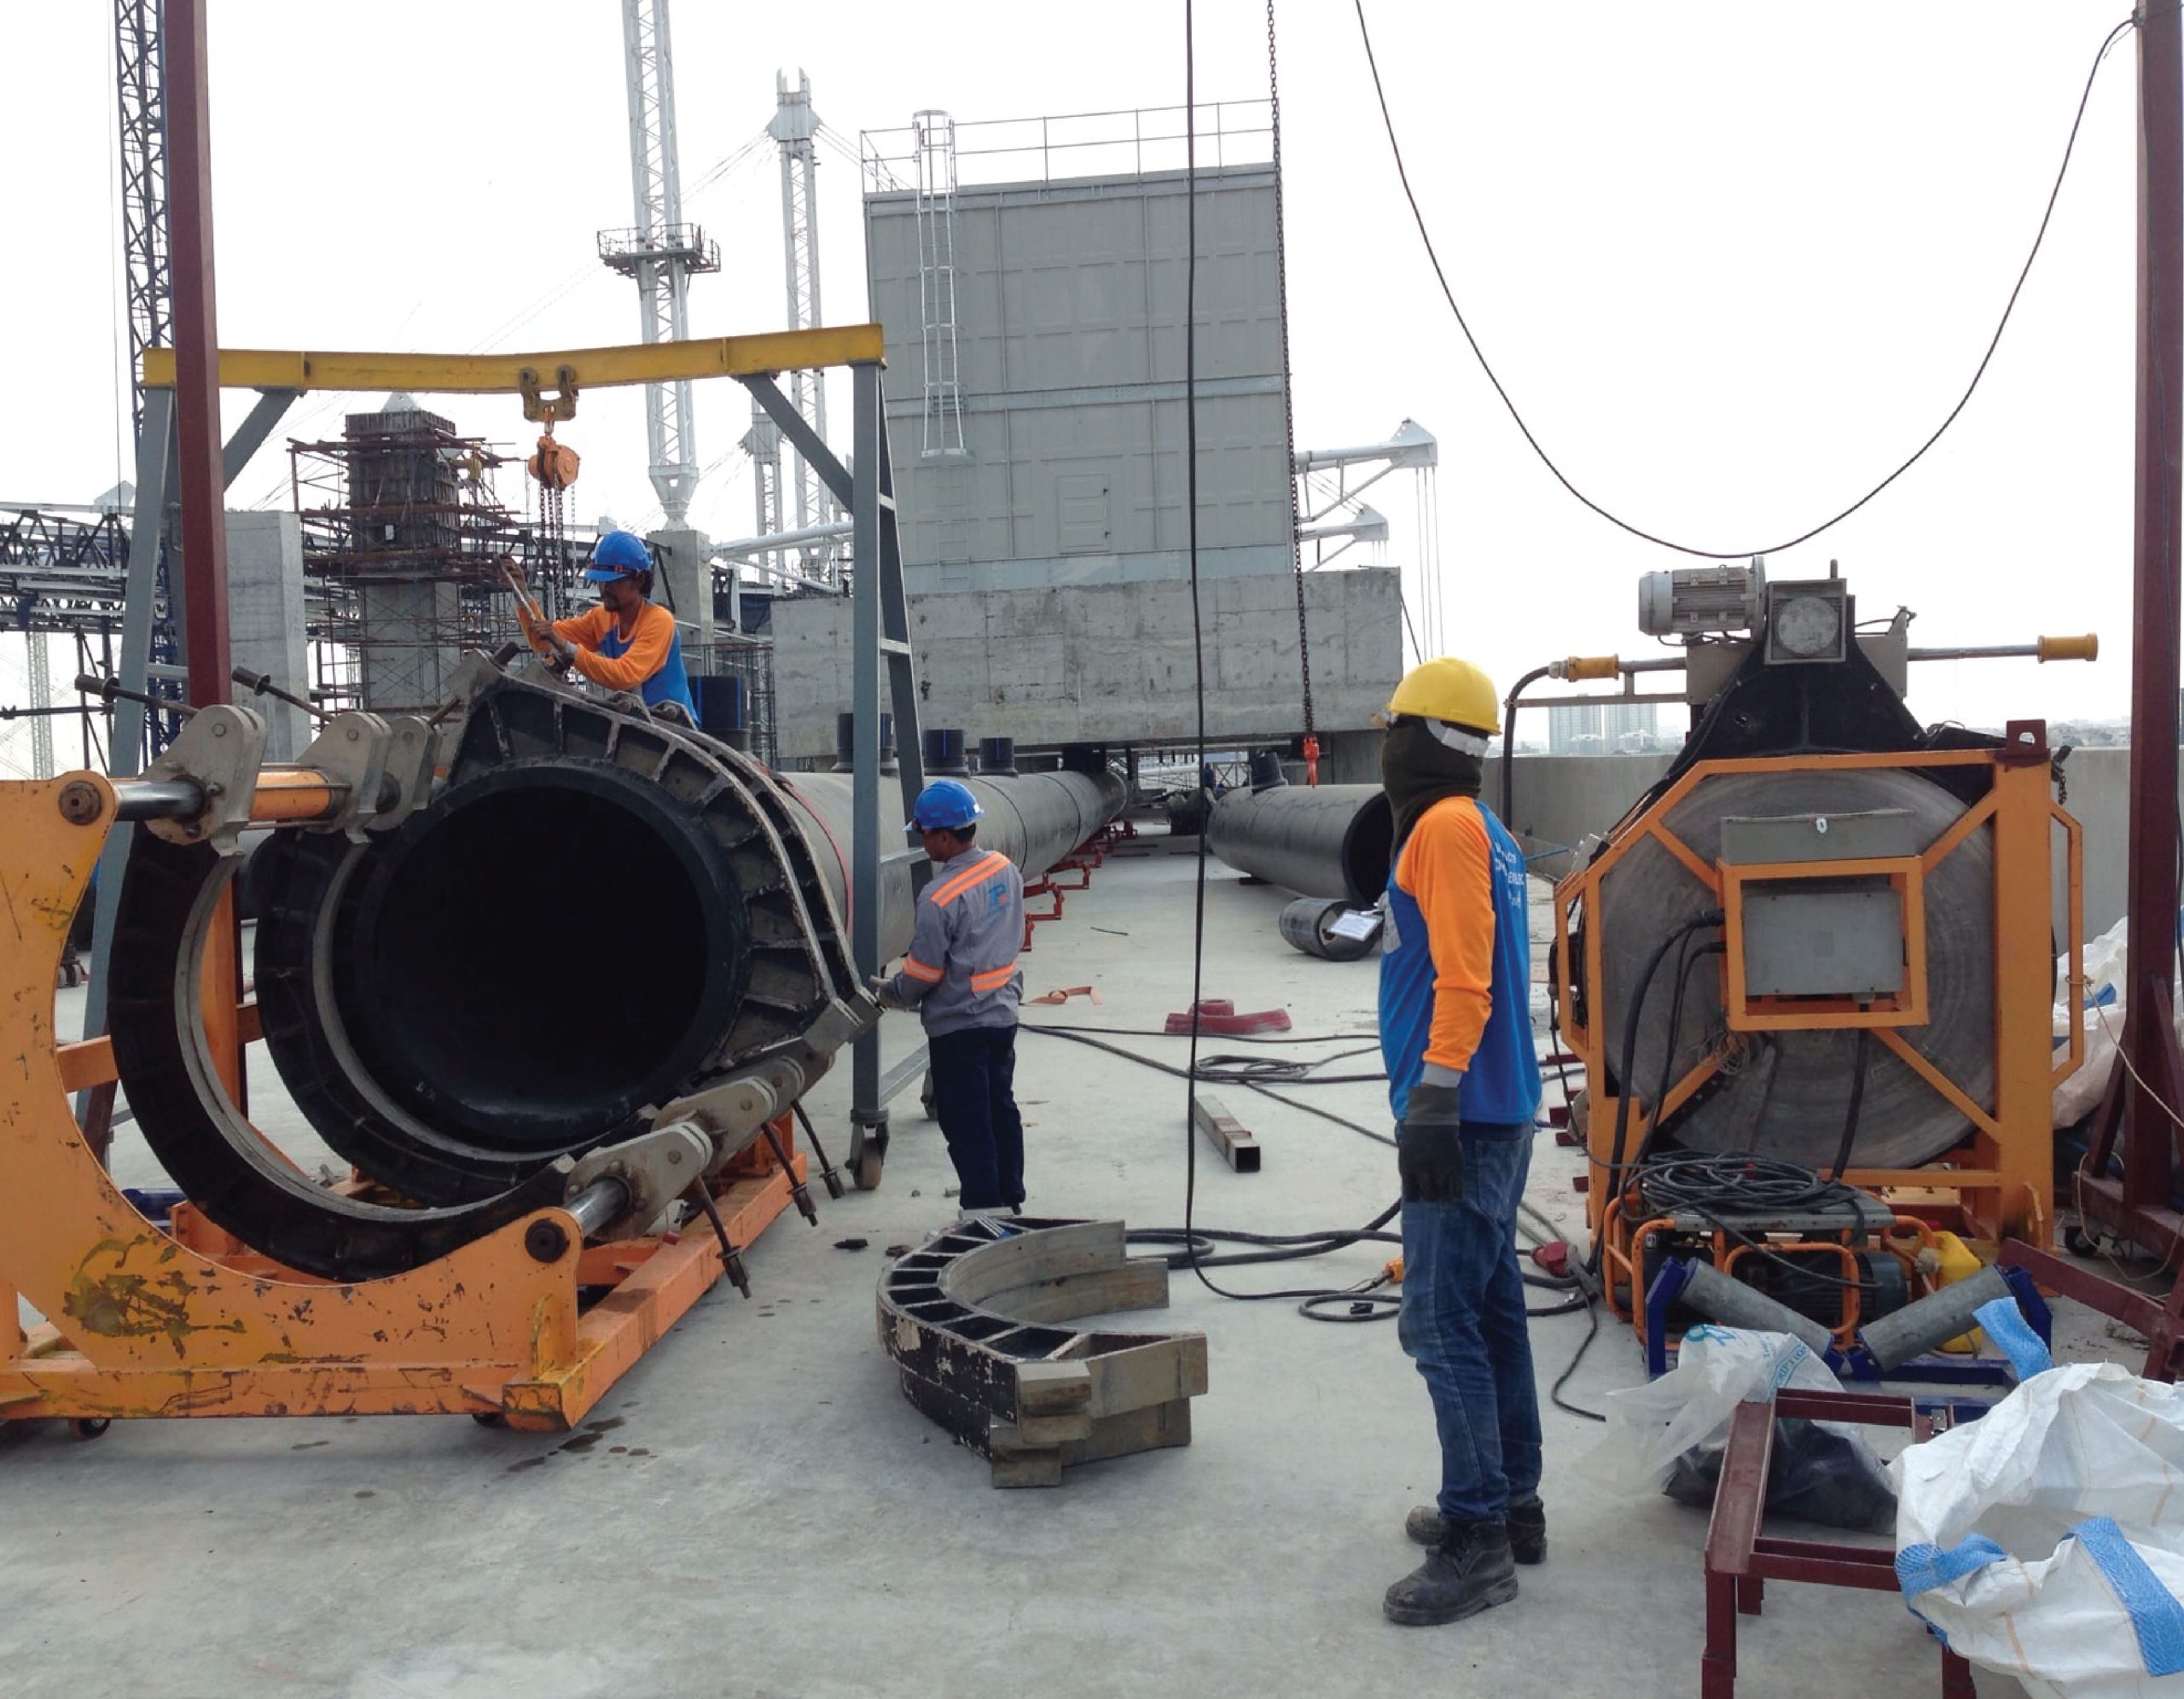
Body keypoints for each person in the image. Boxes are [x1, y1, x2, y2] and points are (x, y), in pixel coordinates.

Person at [1375, 655, 1545, 1628]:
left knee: (1437, 1321)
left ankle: (1477, 1537)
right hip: (1494, 1105)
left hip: (1464, 1115)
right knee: (1490, 1312)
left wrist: (1432, 1099)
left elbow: (1467, 979)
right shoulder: (1483, 826)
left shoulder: (1440, 826)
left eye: (1394, 728)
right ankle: (1510, 1500)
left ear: (1419, 736)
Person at [872, 779, 1028, 1217]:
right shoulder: (1004, 869)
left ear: (943, 835)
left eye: (923, 833)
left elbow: (924, 972)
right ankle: (1009, 1197)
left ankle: (982, 1210)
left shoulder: (938, 896)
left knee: (966, 1119)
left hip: (960, 1024)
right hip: (1001, 1015)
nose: (922, 842)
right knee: (1000, 1106)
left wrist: (891, 993)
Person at [517, 529, 696, 718]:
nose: (605, 589)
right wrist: (521, 593)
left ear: (639, 580)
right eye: (601, 582)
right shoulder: (601, 618)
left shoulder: (659, 621)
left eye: (613, 582)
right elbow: (542, 640)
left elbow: (625, 675)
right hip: (638, 723)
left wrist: (566, 647)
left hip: (675, 727)